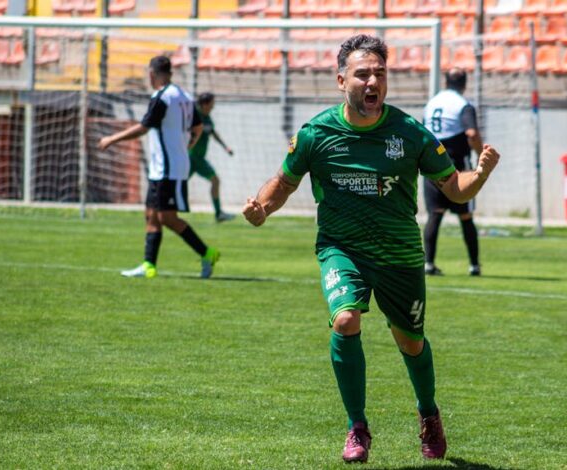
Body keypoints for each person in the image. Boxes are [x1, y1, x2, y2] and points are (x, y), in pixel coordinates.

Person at [242, 35, 500, 463]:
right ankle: (357, 427)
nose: (372, 81)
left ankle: (429, 413)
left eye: (379, 73)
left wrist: (482, 173)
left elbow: (454, 189)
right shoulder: (316, 133)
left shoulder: (409, 132)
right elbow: (284, 181)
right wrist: (262, 207)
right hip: (342, 249)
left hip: (399, 255)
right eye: (362, 73)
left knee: (411, 342)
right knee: (345, 321)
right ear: (341, 80)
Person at [98, 55, 220, 279]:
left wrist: (112, 139)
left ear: (152, 74)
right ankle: (149, 265)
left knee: (167, 218)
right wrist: (186, 145)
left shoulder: (162, 97)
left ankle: (207, 253)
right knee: (151, 215)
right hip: (165, 168)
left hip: (168, 169)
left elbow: (144, 128)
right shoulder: (184, 96)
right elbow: (198, 127)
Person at [422, 68, 484, 277]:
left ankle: (428, 263)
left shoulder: (432, 103)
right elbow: (472, 133)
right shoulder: (462, 105)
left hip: (432, 162)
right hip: (456, 163)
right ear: (464, 84)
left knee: (435, 214)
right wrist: (481, 153)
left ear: (446, 81)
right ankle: (474, 265)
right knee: (466, 215)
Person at [190, 92, 235, 222]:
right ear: (204, 104)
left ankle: (218, 213)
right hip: (191, 157)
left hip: (199, 158)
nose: (213, 107)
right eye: (211, 104)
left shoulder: (207, 118)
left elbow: (213, 133)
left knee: (179, 183)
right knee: (215, 181)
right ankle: (218, 213)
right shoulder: (194, 115)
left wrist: (225, 147)